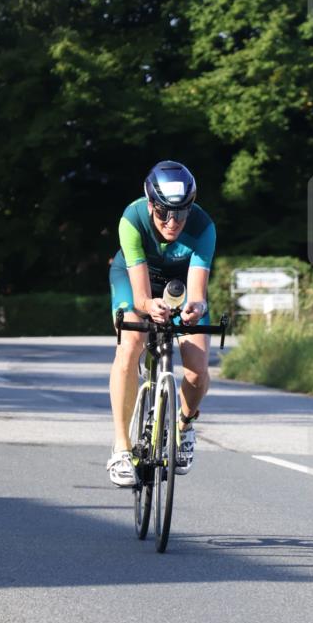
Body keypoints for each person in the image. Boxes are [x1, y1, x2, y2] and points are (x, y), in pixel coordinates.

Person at [107, 161, 216, 487]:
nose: (173, 222)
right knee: (131, 345)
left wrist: (195, 309)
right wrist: (145, 307)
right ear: (151, 205)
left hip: (179, 286)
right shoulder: (133, 219)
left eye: (181, 213)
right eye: (164, 213)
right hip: (134, 281)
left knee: (197, 369)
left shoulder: (203, 227)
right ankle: (122, 449)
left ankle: (183, 426)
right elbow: (141, 299)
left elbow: (196, 293)